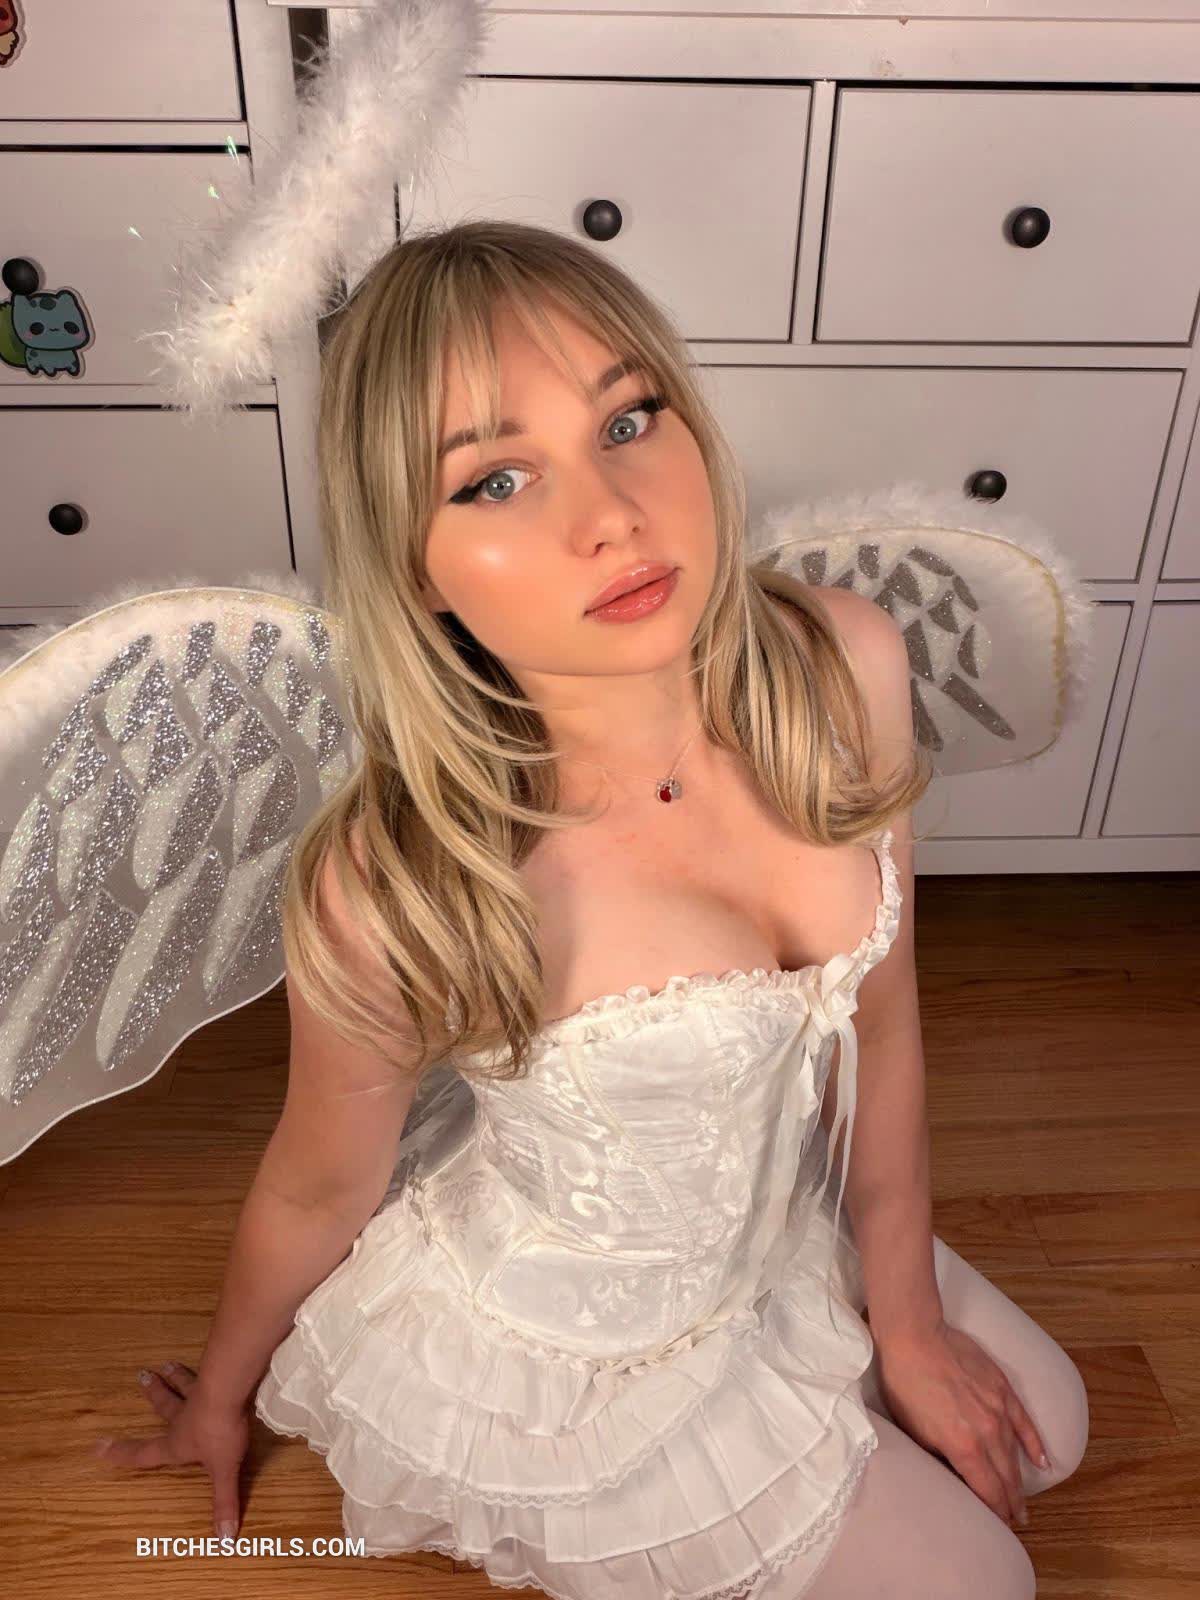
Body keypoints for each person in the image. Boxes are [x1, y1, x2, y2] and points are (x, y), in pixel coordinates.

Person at [93, 220, 1089, 1598]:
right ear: (414, 565)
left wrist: (906, 1318)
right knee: (992, 1584)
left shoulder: (839, 663)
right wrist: (219, 1399)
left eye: (627, 419)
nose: (611, 514)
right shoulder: (407, 878)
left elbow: (885, 1023)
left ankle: (842, 1378)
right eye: (495, 480)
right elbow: (317, 1185)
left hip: (777, 1222)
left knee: (1059, 1433)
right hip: (588, 1359)